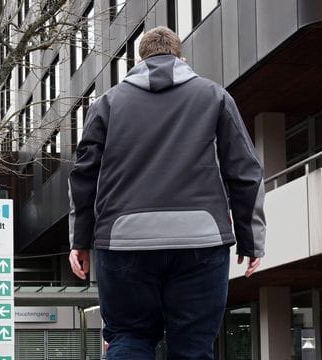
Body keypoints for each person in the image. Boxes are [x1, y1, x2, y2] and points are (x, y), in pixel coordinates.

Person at [68, 26, 266, 359]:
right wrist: (251, 239)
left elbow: (83, 175)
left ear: (139, 59)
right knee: (193, 347)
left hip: (123, 240)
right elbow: (245, 171)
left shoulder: (107, 103)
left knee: (128, 338)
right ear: (181, 57)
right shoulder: (215, 96)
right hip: (201, 241)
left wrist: (80, 240)